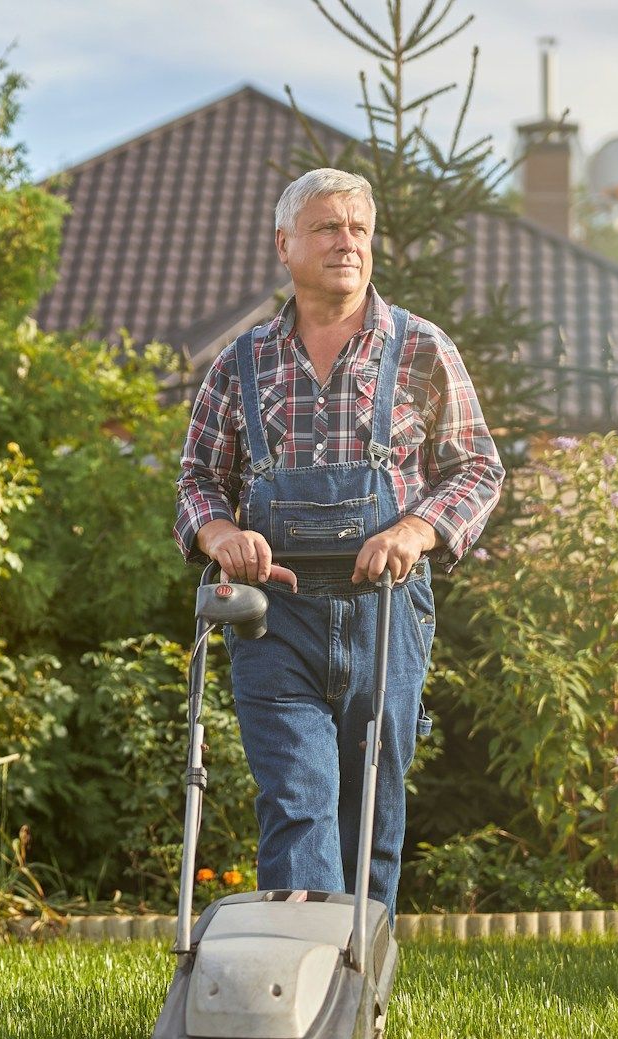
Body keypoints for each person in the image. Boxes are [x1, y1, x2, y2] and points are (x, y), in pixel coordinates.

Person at [173, 167, 504, 913]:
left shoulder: (421, 351)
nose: (346, 242)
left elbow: (479, 469)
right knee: (297, 800)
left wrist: (417, 529)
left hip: (384, 612)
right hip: (271, 616)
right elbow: (197, 478)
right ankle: (299, 989)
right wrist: (220, 531)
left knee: (371, 814)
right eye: (327, 228)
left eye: (358, 229)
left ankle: (360, 990)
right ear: (284, 245)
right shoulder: (242, 361)